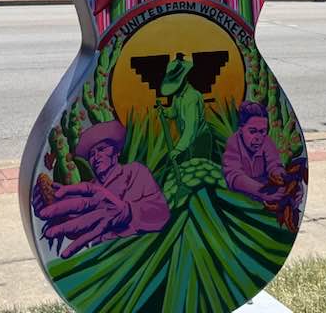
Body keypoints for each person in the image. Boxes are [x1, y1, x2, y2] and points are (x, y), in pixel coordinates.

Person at [32, 120, 170, 258]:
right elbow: (77, 225)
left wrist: (127, 212)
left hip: (140, 255)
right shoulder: (90, 189)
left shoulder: (135, 172)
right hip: (102, 259)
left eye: (102, 149)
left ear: (116, 152)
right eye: (91, 154)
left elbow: (161, 213)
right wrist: (50, 208)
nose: (96, 156)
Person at [222, 102, 284, 204]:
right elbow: (234, 176)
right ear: (241, 130)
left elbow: (275, 166)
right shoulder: (233, 142)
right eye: (252, 131)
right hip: (241, 200)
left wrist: (284, 184)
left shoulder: (267, 141)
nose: (258, 137)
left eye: (262, 131)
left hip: (265, 198)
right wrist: (262, 191)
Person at [159, 52, 212, 161]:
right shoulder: (177, 96)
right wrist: (166, 112)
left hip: (200, 139)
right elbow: (174, 112)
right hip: (188, 139)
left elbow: (191, 127)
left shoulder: (191, 98)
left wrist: (178, 149)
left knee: (198, 168)